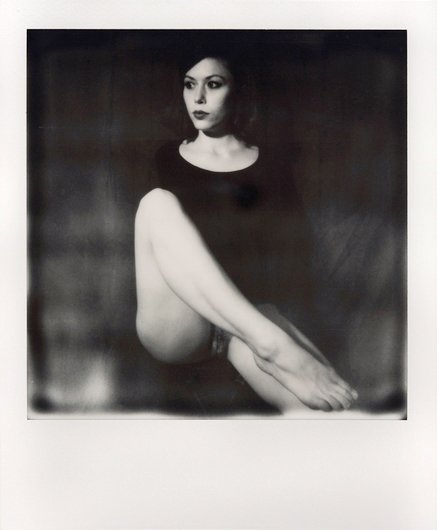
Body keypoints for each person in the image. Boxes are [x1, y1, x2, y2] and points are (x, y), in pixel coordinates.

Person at [134, 51, 358, 413]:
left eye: (213, 84)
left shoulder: (271, 165)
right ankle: (269, 344)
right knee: (156, 203)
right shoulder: (164, 157)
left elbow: (289, 257)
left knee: (332, 408)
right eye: (189, 85)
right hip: (180, 321)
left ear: (237, 91)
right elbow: (160, 254)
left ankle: (268, 345)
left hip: (245, 320)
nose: (198, 98)